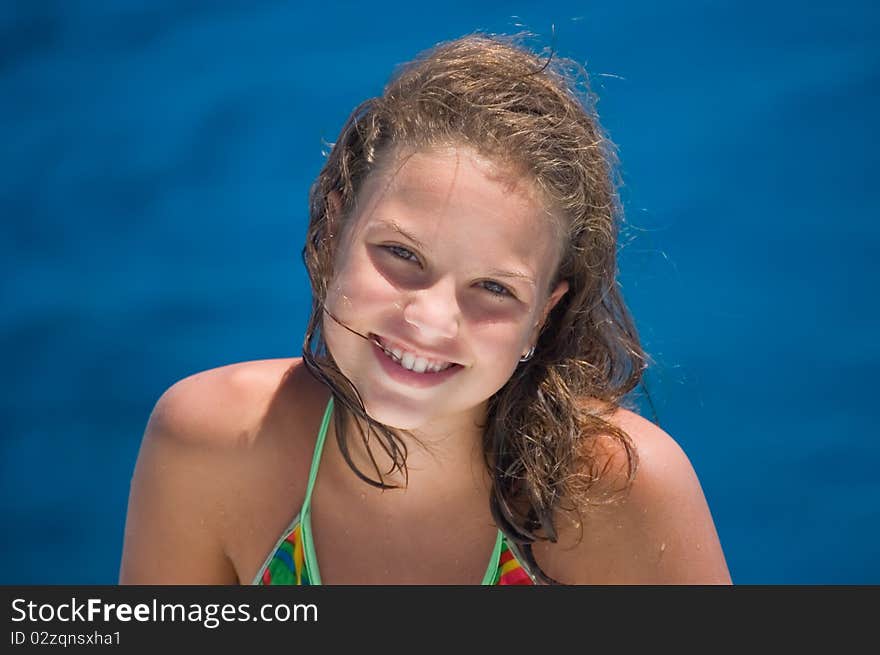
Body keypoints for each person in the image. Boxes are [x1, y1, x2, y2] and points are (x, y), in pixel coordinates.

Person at [118, 33, 731, 585]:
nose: (432, 320)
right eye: (400, 254)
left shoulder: (619, 494)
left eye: (494, 288)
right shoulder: (210, 447)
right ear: (334, 232)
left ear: (541, 315)